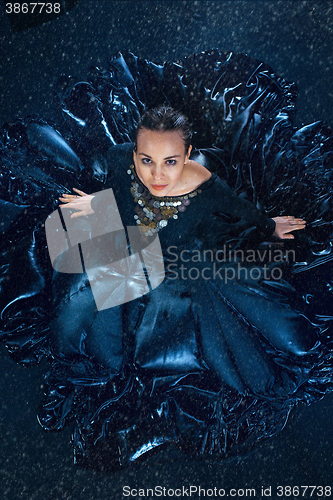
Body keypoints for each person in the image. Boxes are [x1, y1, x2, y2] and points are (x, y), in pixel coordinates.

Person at [0, 50, 332, 470]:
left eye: (170, 162)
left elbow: (230, 212)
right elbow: (123, 200)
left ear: (188, 155)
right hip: (142, 248)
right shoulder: (123, 161)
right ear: (135, 154)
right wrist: (98, 207)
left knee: (218, 286)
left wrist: (268, 227)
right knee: (81, 258)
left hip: (191, 255)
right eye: (147, 161)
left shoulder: (201, 177)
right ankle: (96, 354)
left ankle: (213, 351)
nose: (157, 173)